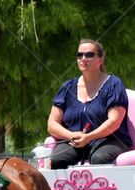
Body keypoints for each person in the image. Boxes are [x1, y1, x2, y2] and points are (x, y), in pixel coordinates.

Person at [47, 39, 130, 169]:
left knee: (99, 158)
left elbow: (114, 122)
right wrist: (72, 135)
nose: (83, 58)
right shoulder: (66, 87)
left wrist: (89, 137)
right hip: (74, 141)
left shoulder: (114, 84)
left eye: (89, 55)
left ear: (100, 60)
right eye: (80, 55)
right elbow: (52, 124)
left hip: (109, 140)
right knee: (58, 159)